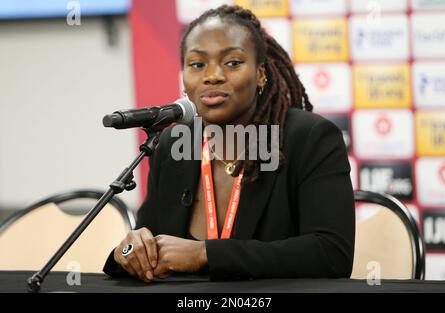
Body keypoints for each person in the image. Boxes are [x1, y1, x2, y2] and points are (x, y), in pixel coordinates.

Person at [103, 5, 355, 282]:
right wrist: (128, 251)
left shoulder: (310, 139)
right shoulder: (172, 145)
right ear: (185, 80)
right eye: (197, 64)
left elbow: (331, 255)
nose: (213, 75)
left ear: (261, 74)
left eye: (232, 62)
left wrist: (205, 254)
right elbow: (146, 245)